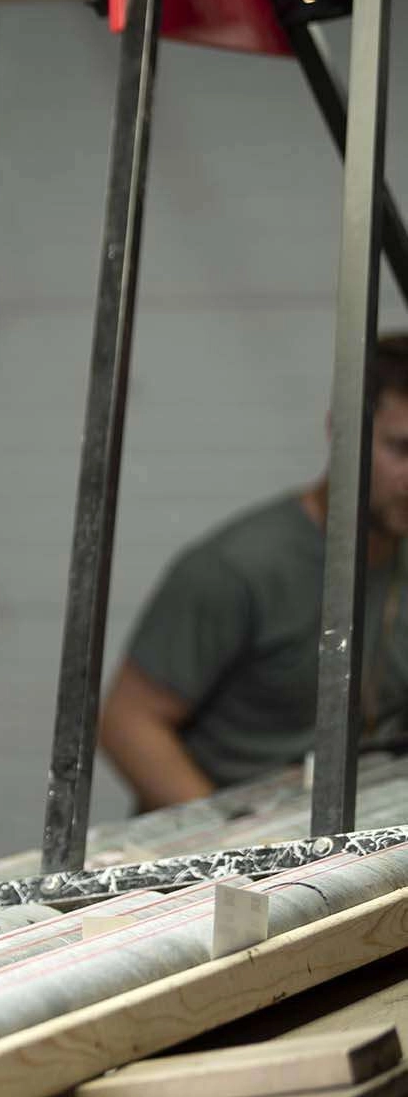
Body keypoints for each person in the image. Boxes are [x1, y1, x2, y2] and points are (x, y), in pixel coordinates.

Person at [99, 337, 408, 812]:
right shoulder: (239, 568)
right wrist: (231, 851)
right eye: (402, 449)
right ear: (344, 432)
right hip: (239, 858)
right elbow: (127, 725)